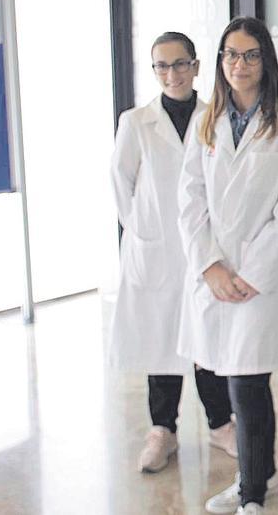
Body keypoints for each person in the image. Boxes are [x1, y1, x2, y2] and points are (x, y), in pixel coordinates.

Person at [176, 17, 278, 515]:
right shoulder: (206, 120)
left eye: (250, 54)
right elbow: (189, 199)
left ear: (266, 60)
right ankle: (265, 475)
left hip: (261, 278)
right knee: (222, 374)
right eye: (231, 55)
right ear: (220, 62)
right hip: (215, 274)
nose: (239, 64)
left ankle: (251, 491)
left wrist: (249, 274)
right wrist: (211, 265)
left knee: (248, 382)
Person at [110, 31, 236, 473]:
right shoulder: (135, 122)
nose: (172, 74)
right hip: (157, 250)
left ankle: (221, 423)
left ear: (197, 66)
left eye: (180, 64)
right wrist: (147, 232)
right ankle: (162, 430)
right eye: (162, 66)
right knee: (160, 341)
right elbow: (122, 186)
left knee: (208, 341)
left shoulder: (215, 117)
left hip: (203, 250)